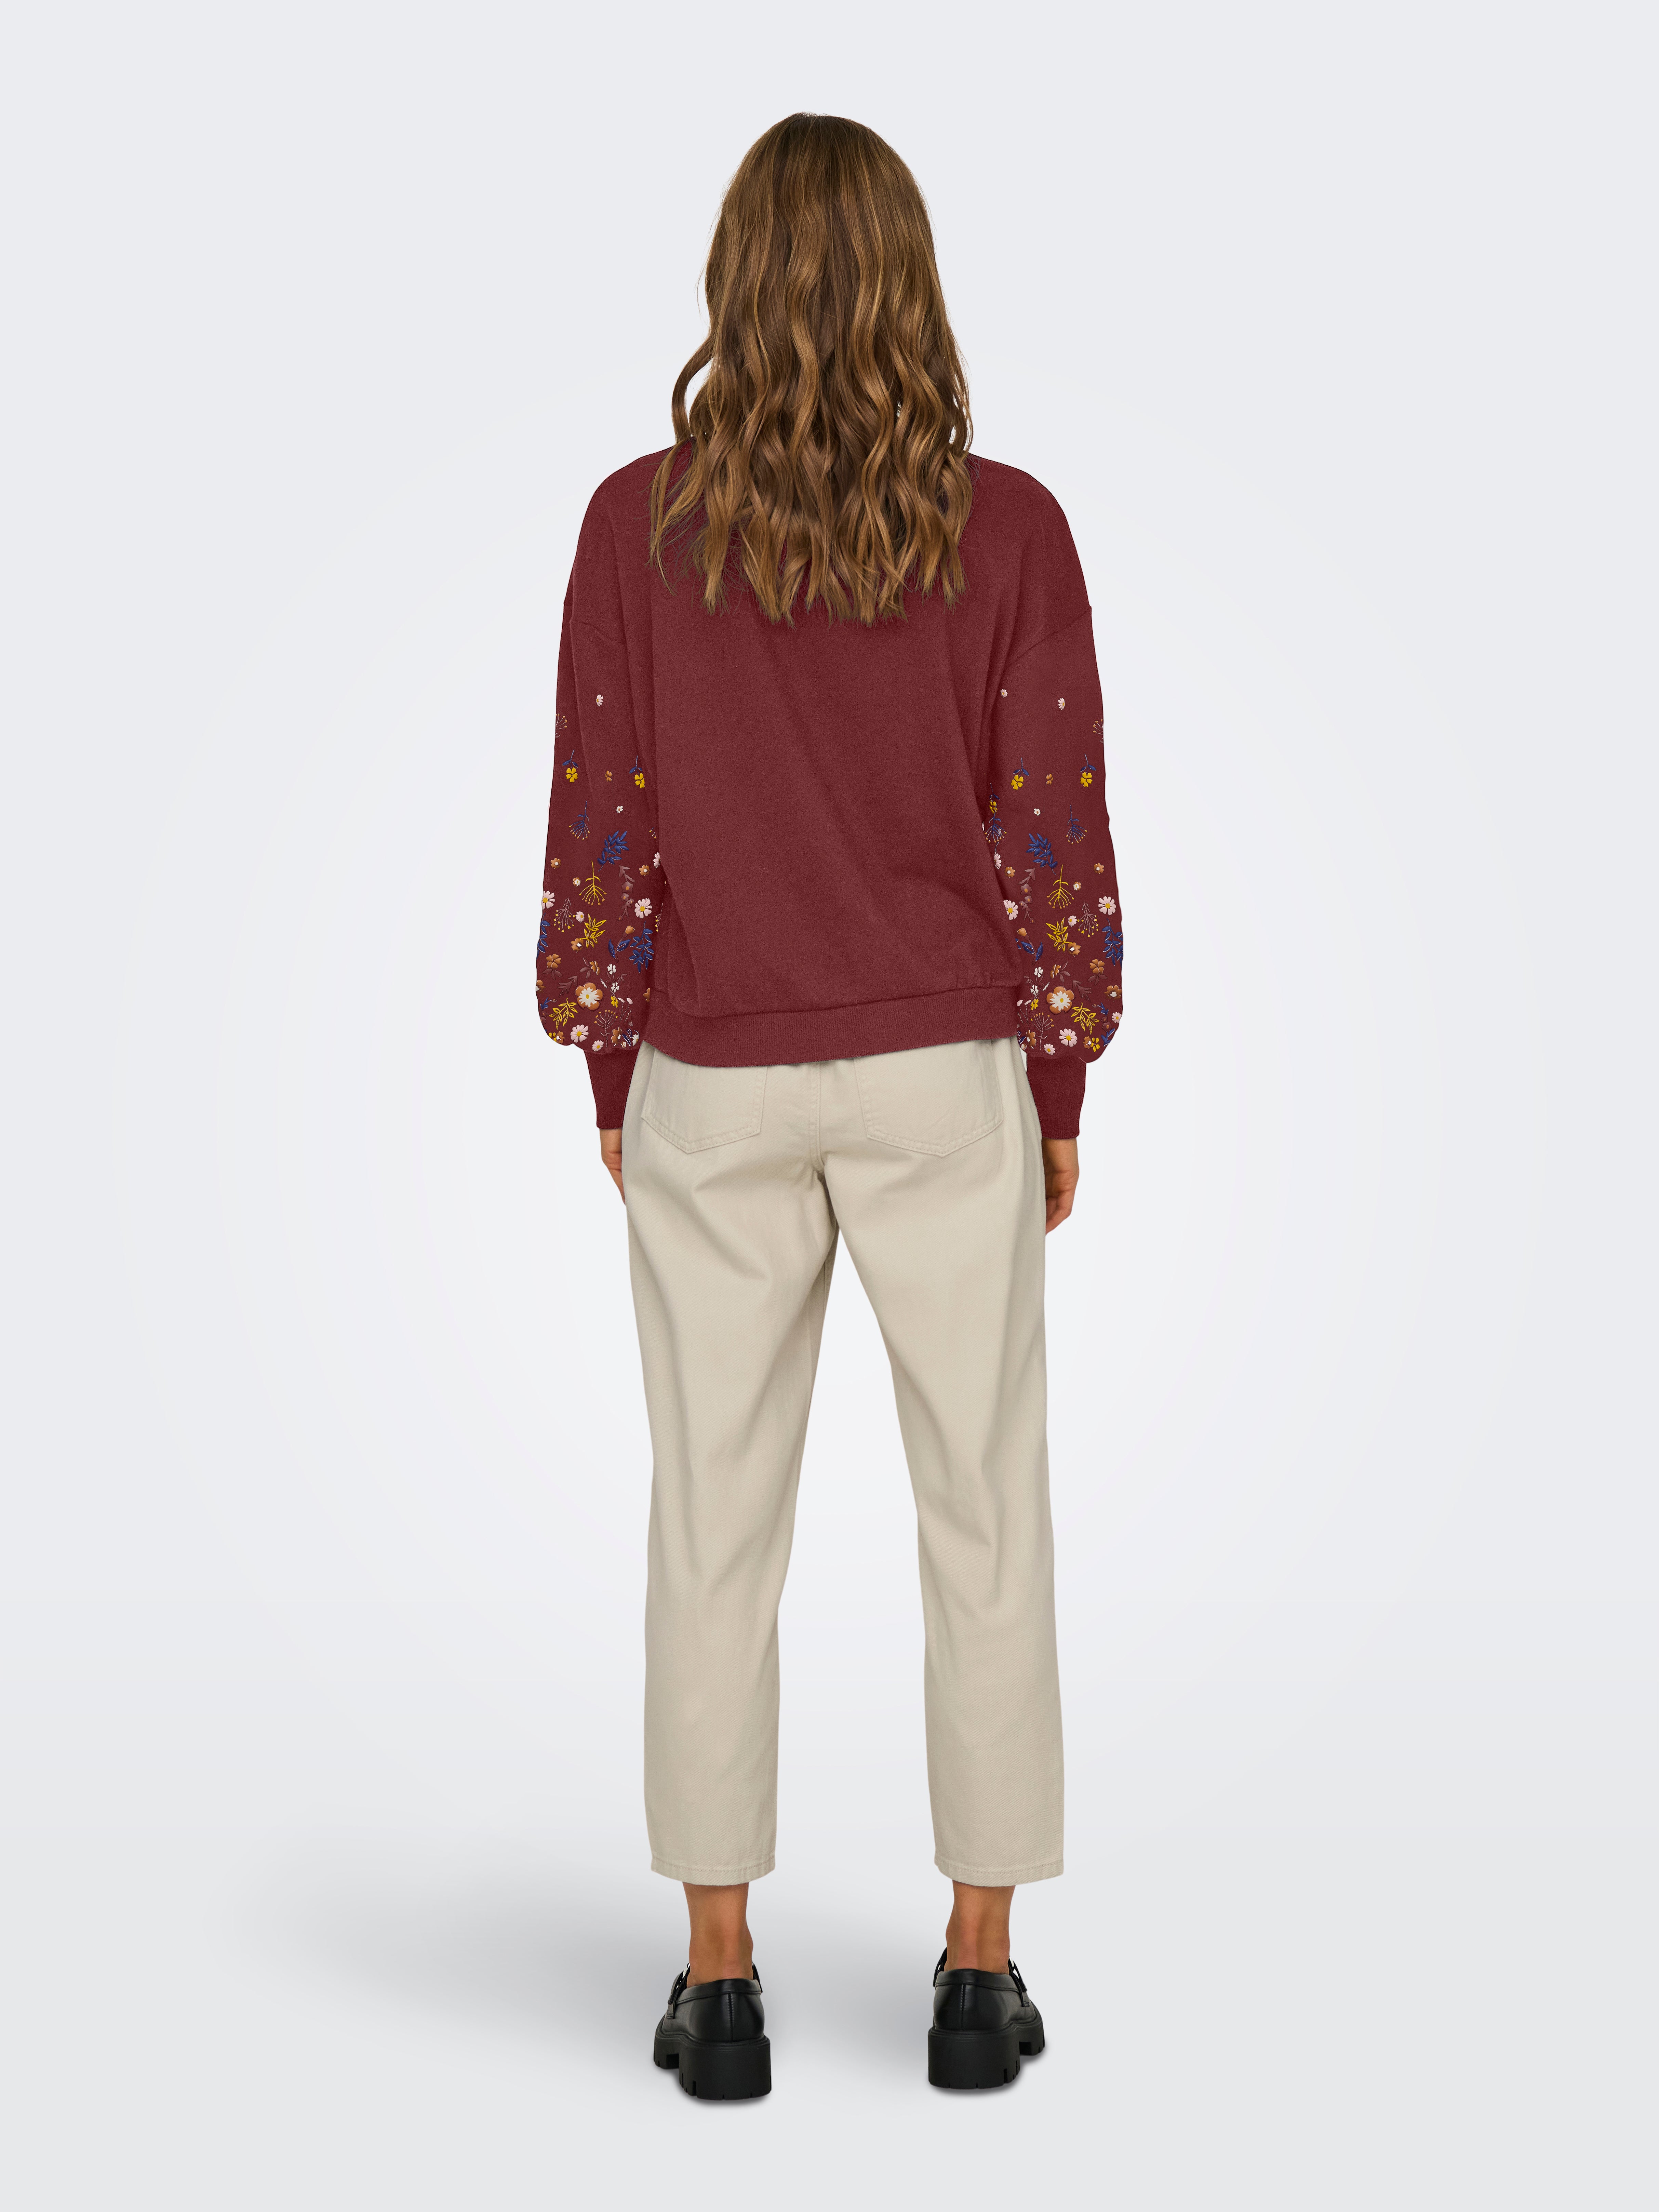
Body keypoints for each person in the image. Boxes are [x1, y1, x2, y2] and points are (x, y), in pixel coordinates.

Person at [536, 112, 1124, 2097]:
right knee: (986, 1509)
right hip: (945, 1072)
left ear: (734, 288)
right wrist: (1054, 1079)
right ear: (910, 291)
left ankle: (717, 1982)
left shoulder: (635, 529)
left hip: (710, 1072)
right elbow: (1052, 834)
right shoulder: (1008, 531)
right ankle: (978, 1969)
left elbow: (599, 816)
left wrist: (613, 1061)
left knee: (712, 1519)